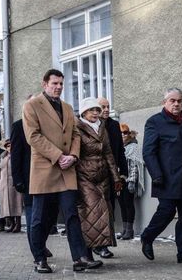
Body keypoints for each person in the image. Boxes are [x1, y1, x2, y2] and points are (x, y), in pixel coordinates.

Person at [22, 68, 101, 273]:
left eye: (60, 84)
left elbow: (75, 134)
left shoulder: (66, 107)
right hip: (45, 169)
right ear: (44, 84)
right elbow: (33, 136)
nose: (58, 87)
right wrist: (59, 156)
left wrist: (73, 156)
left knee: (72, 215)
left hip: (67, 170)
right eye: (54, 83)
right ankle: (39, 258)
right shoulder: (32, 105)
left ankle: (80, 257)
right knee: (40, 219)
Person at [140, 87, 182, 265]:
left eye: (179, 101)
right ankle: (147, 236)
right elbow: (148, 152)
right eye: (172, 101)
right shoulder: (154, 122)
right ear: (165, 102)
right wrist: (156, 175)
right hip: (166, 178)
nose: (176, 104)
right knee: (166, 212)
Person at [76, 97, 123, 265]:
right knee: (89, 214)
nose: (96, 113)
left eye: (97, 110)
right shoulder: (77, 128)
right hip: (85, 177)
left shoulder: (102, 127)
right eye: (92, 110)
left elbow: (108, 153)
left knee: (103, 213)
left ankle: (100, 247)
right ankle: (87, 255)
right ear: (83, 112)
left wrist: (116, 177)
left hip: (102, 177)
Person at [11, 116, 55, 262]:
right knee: (33, 217)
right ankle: (37, 251)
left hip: (49, 178)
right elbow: (16, 154)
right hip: (28, 179)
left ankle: (40, 244)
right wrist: (17, 179)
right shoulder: (19, 126)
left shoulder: (47, 123)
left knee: (50, 216)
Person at [97, 97, 128, 256]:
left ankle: (105, 243)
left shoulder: (115, 126)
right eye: (103, 106)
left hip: (112, 174)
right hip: (95, 175)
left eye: (108, 106)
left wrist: (123, 172)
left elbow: (120, 151)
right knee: (98, 210)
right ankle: (98, 244)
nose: (107, 109)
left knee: (110, 209)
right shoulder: (92, 126)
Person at [119, 122, 144, 240]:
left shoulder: (133, 146)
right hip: (119, 180)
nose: (123, 135)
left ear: (129, 134)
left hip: (129, 180)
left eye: (125, 132)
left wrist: (132, 181)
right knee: (122, 205)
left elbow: (134, 165)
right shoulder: (119, 147)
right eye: (121, 133)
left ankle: (130, 230)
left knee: (129, 204)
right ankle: (124, 229)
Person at [0, 139, 23, 233]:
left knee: (16, 203)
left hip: (14, 183)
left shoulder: (18, 155)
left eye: (11, 145)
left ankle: (18, 224)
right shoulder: (3, 157)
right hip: (4, 184)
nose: (9, 148)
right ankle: (12, 223)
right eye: (8, 146)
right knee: (5, 205)